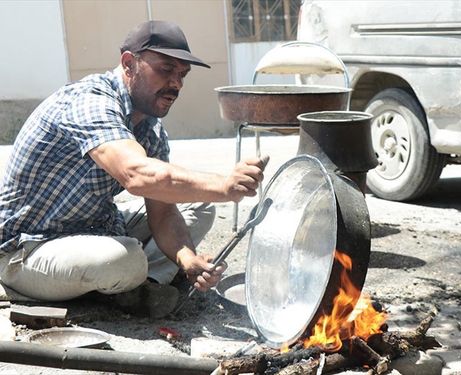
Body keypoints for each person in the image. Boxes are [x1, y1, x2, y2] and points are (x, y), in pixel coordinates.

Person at [0, 20, 267, 318]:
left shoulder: (150, 126)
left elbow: (163, 212)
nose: (176, 83)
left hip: (92, 229)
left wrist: (188, 260)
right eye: (166, 70)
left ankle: (139, 287)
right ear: (129, 63)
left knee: (199, 204)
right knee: (124, 259)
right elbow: (136, 176)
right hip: (27, 251)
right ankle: (124, 281)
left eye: (182, 75)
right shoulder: (90, 102)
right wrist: (224, 185)